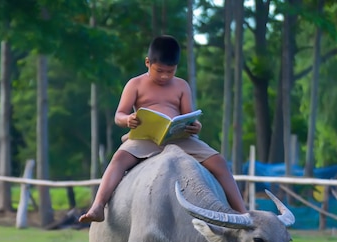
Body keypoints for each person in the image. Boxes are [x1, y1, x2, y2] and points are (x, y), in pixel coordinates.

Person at [79, 35, 246, 223]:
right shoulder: (135, 84)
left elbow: (189, 116)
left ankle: (241, 212)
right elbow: (119, 114)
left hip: (179, 137)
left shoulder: (182, 85)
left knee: (220, 162)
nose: (165, 76)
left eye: (170, 71)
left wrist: (194, 126)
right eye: (159, 71)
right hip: (144, 137)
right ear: (148, 63)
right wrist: (128, 120)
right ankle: (98, 205)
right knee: (118, 159)